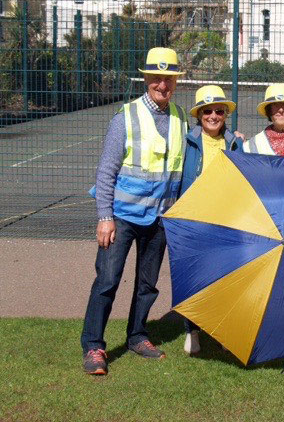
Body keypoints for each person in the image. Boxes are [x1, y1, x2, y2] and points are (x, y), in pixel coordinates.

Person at [81, 47, 188, 375]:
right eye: (156, 78)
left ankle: (137, 336)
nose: (162, 85)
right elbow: (106, 171)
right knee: (108, 280)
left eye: (168, 78)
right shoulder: (124, 118)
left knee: (148, 284)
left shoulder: (181, 118)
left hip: (159, 219)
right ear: (146, 79)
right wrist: (104, 217)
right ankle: (94, 346)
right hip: (122, 217)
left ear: (175, 82)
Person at [178, 85, 243, 355]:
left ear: (226, 114)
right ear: (199, 114)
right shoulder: (187, 141)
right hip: (193, 219)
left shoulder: (235, 143)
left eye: (219, 111)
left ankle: (223, 330)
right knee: (193, 278)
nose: (214, 116)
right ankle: (192, 330)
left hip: (226, 220)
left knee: (225, 278)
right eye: (208, 111)